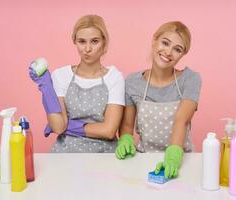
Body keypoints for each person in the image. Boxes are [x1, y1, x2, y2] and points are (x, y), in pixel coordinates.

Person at [115, 21, 202, 179]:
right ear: (154, 40)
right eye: (165, 43)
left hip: (181, 160)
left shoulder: (190, 79)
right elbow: (127, 125)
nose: (168, 52)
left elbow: (180, 121)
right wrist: (125, 139)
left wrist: (173, 157)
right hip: (143, 160)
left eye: (177, 49)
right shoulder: (133, 82)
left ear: (183, 54)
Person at [29, 15, 125, 153]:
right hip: (66, 153)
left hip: (104, 154)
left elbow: (109, 130)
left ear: (104, 42)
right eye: (81, 41)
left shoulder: (114, 77)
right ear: (75, 41)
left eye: (94, 41)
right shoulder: (61, 76)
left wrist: (69, 126)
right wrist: (46, 87)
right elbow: (57, 126)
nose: (87, 49)